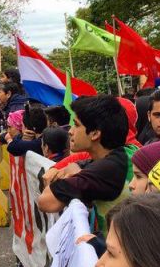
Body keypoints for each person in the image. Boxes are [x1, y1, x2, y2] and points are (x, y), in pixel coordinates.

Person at [37, 95, 130, 226]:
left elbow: (45, 202)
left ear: (95, 134)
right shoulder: (121, 154)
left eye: (76, 124)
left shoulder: (104, 170)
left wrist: (76, 174)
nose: (70, 131)